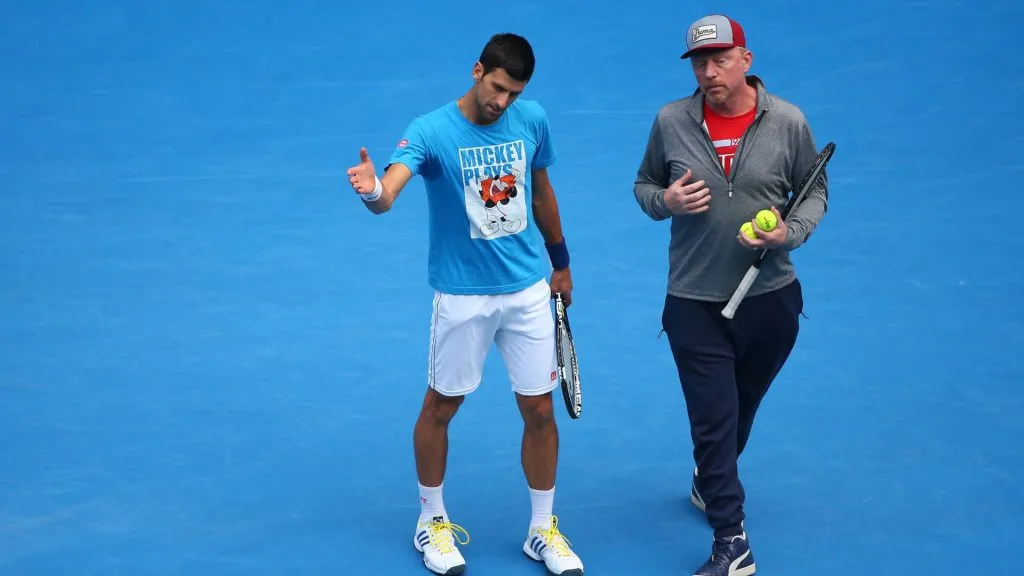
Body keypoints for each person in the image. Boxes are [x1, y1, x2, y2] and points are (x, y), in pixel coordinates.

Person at [345, 33, 585, 576]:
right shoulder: (430, 131)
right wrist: (370, 192)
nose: (503, 102)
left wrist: (561, 261)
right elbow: (388, 196)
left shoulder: (531, 120)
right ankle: (430, 521)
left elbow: (541, 190)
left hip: (526, 291)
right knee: (441, 407)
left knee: (541, 411)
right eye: (498, 87)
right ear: (477, 71)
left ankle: (541, 530)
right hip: (462, 297)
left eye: (514, 93)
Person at [632, 14, 829, 576]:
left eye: (720, 59)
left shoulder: (787, 122)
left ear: (747, 59)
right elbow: (643, 185)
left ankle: (709, 479)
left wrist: (786, 234)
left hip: (771, 300)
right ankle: (731, 541)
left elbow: (814, 193)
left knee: (739, 409)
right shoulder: (671, 121)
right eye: (700, 62)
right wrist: (665, 200)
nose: (709, 72)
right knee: (713, 418)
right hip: (693, 300)